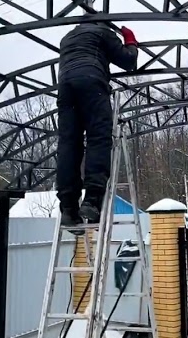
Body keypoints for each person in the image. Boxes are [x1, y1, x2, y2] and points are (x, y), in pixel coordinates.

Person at [56, 21, 139, 232]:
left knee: (69, 143)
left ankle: (68, 209)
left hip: (65, 87)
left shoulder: (67, 37)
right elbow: (128, 61)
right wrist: (130, 40)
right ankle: (92, 200)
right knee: (98, 137)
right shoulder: (103, 32)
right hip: (91, 82)